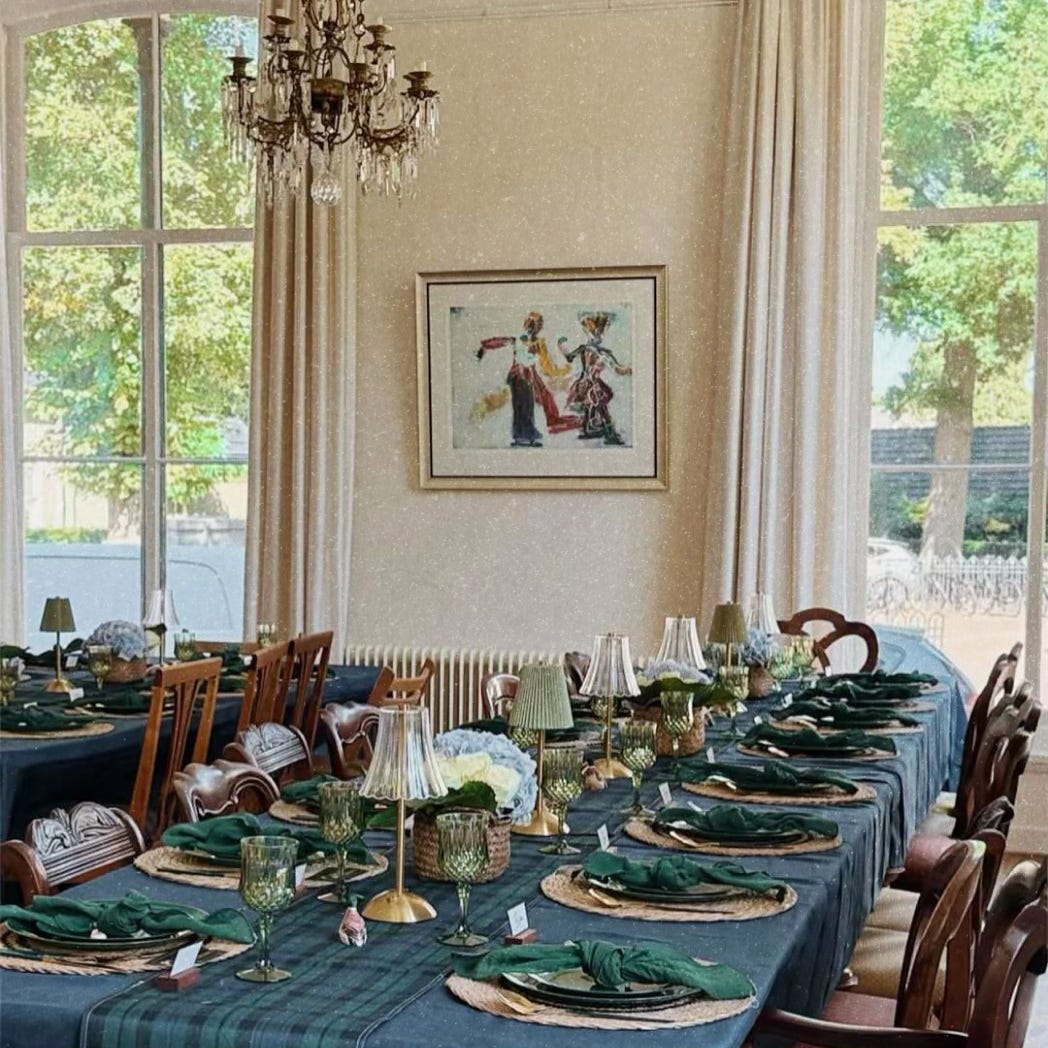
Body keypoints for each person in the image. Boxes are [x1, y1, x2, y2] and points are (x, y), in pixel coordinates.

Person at [476, 312, 580, 447]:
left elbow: (546, 365)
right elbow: (504, 344)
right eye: (534, 325)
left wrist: (564, 369)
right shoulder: (523, 340)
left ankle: (526, 433)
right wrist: (484, 347)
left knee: (526, 405)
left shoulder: (532, 342)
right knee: (523, 405)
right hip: (520, 377)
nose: (536, 328)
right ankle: (523, 436)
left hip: (523, 377)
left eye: (537, 325)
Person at [562, 312, 632, 445]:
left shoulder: (601, 353)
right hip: (590, 384)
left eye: (600, 332)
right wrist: (563, 348)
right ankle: (609, 434)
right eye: (596, 332)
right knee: (600, 406)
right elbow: (569, 357)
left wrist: (629, 370)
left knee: (594, 405)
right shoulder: (593, 351)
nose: (599, 336)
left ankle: (588, 429)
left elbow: (618, 369)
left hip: (587, 383)